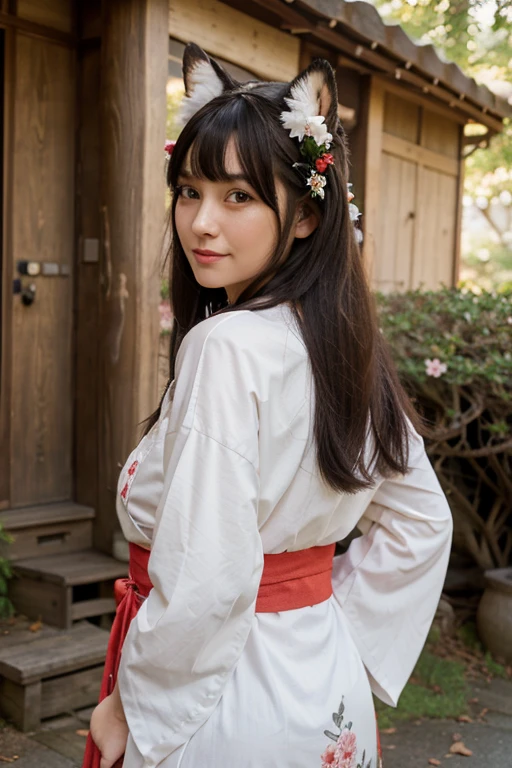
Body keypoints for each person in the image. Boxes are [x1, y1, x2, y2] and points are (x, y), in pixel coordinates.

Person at [84, 42, 453, 768]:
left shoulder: (228, 347)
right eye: (189, 191)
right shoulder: (342, 346)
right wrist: (324, 617)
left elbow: (207, 575)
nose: (201, 223)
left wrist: (132, 702)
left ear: (308, 216)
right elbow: (421, 522)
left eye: (239, 196)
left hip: (225, 701)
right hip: (322, 679)